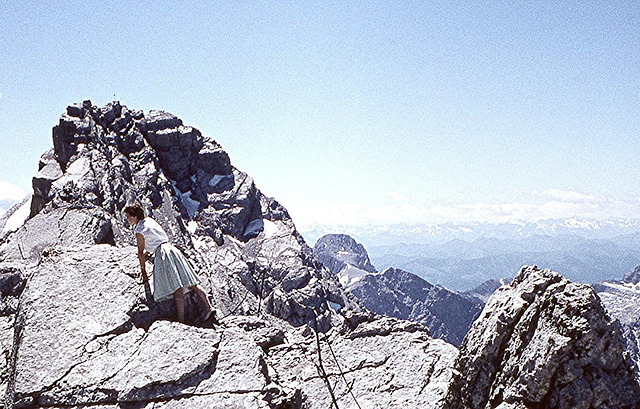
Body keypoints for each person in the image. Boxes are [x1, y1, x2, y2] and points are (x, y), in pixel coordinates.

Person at [124, 203, 215, 323]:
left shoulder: (139, 230)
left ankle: (181, 319)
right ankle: (209, 307)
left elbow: (140, 252)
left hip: (163, 254)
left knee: (176, 287)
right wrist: (149, 251)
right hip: (171, 249)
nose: (127, 219)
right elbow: (156, 238)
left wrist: (143, 271)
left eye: (128, 216)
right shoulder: (149, 220)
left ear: (135, 217)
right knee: (191, 282)